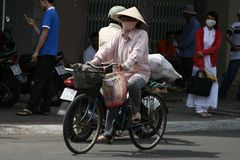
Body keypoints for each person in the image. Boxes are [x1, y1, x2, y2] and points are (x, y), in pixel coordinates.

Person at [90, 7, 150, 142]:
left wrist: (127, 64)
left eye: (129, 19)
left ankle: (136, 112)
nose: (126, 21)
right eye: (123, 19)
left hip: (139, 72)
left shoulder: (142, 35)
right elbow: (107, 50)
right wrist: (96, 60)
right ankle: (108, 133)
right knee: (113, 100)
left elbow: (137, 53)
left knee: (133, 84)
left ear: (136, 21)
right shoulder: (118, 35)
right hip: (120, 74)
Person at [17, 0, 59, 116]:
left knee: (38, 81)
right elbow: (44, 34)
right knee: (46, 82)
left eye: (40, 2)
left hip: (45, 53)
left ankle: (31, 107)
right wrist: (34, 25)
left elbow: (44, 34)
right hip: (51, 53)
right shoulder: (54, 14)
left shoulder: (48, 13)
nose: (40, 5)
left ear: (44, 1)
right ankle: (45, 108)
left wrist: (36, 51)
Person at [186, 11, 222, 118]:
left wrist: (205, 52)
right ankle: (199, 108)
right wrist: (201, 65)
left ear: (216, 21)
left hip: (211, 62)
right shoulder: (200, 31)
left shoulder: (218, 32)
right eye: (208, 18)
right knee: (200, 83)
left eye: (213, 19)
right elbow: (198, 48)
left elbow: (216, 47)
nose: (210, 20)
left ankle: (205, 108)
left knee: (212, 84)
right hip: (200, 61)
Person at [219, 9, 240, 100]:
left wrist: (233, 45)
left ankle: (222, 93)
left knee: (230, 75)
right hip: (235, 54)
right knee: (230, 75)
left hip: (235, 54)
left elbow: (227, 35)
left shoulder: (234, 25)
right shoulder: (235, 25)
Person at [178, 4, 201, 88]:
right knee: (185, 69)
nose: (183, 15)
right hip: (186, 52)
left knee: (189, 70)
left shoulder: (194, 24)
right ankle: (185, 84)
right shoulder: (189, 22)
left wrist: (182, 45)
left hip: (190, 52)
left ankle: (190, 85)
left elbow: (191, 37)